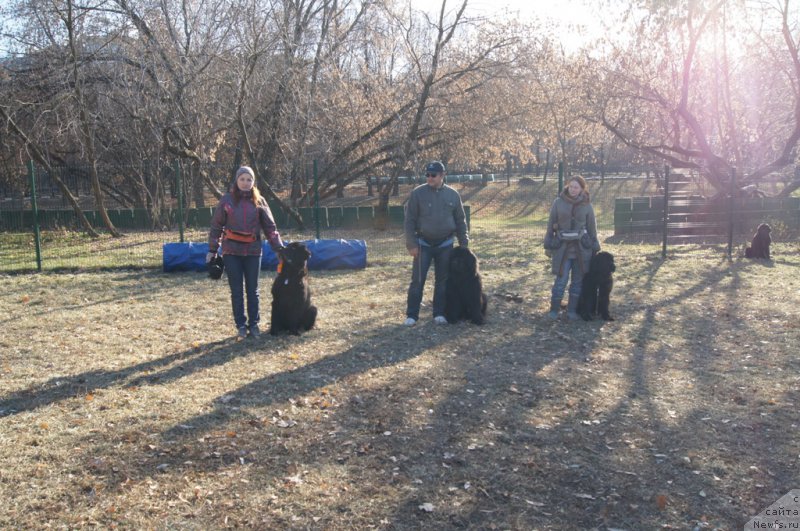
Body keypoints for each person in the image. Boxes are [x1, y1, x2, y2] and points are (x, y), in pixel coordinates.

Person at [207, 166, 284, 339]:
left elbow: (270, 228)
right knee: (236, 290)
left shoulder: (260, 201)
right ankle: (241, 325)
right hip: (231, 252)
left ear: (253, 182)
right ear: (237, 180)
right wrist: (212, 250)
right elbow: (216, 226)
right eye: (242, 179)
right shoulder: (226, 200)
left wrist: (279, 248)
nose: (245, 182)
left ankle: (254, 325)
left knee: (253, 290)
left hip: (253, 252)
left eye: (249, 179)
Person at [403, 161, 469, 326]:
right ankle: (412, 315)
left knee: (443, 281)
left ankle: (439, 313)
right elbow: (409, 220)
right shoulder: (418, 194)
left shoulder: (453, 195)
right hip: (422, 244)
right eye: (427, 175)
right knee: (417, 281)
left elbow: (461, 220)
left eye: (433, 175)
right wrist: (411, 244)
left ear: (442, 175)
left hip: (445, 244)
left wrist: (464, 243)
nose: (429, 178)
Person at [543, 175, 600, 320]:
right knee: (561, 281)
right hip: (562, 249)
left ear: (582, 189)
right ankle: (554, 311)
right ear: (567, 186)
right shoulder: (558, 202)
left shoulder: (587, 205)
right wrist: (548, 243)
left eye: (576, 187)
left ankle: (572, 311)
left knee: (578, 281)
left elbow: (592, 227)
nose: (573, 189)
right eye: (571, 186)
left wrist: (594, 245)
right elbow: (551, 224)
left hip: (582, 250)